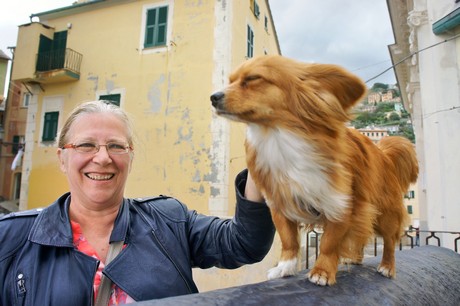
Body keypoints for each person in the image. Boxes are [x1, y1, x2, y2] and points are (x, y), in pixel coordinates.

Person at [0, 101, 275, 306]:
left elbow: (244, 243)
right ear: (62, 158)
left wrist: (260, 154)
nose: (103, 158)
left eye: (116, 146)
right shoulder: (10, 238)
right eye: (86, 145)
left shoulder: (169, 220)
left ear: (130, 158)